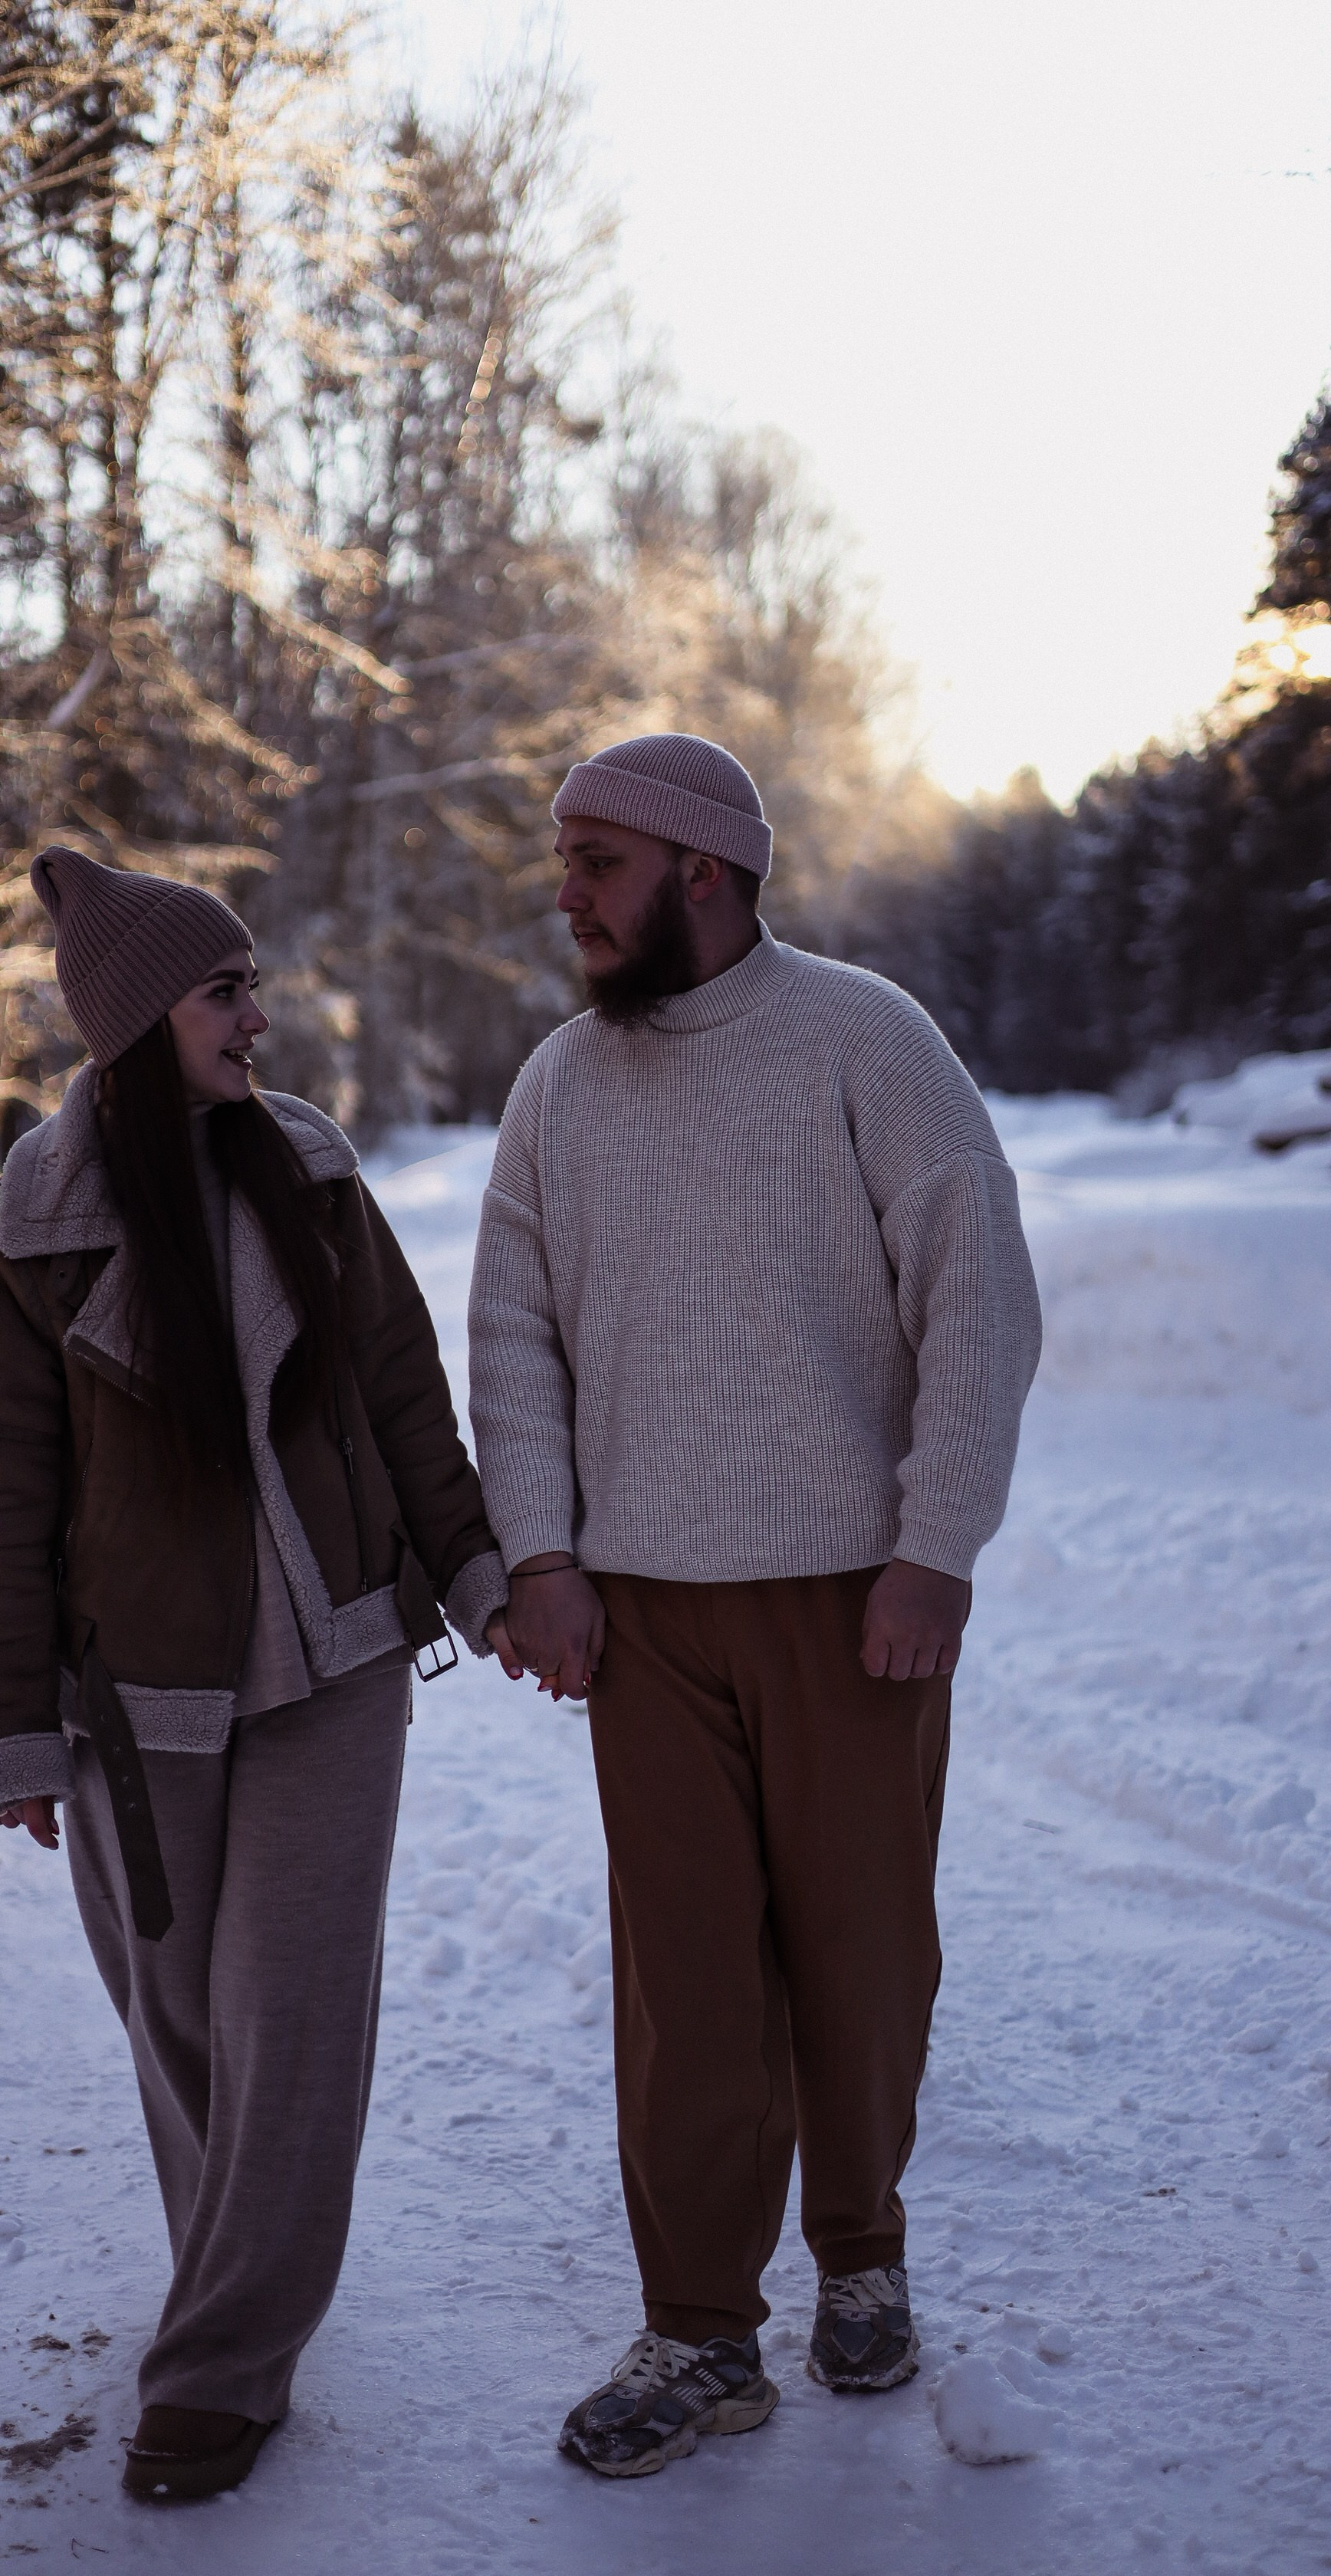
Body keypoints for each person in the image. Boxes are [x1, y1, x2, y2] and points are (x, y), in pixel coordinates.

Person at [467, 734, 1042, 2480]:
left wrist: (935, 1546)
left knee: (861, 1952)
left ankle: (861, 2257)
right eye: (564, 859)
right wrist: (542, 1557)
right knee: (686, 1982)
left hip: (848, 1604)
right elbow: (513, 1337)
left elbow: (978, 1295)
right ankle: (702, 2330)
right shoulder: (559, 1084)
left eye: (596, 861)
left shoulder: (867, 1038)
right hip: (645, 1618)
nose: (565, 894)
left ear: (703, 871)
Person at [0, 847, 507, 2502]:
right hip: (135, 1700)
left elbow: (403, 1398)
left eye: (252, 987)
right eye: (225, 993)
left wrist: (484, 1579)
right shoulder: (24, 1235)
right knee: (179, 2024)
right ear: (137, 1023)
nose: (260, 1018)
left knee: (289, 2022)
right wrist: (10, 1731)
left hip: (337, 1661)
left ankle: (221, 2366)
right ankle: (231, 2273)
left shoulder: (309, 1174)